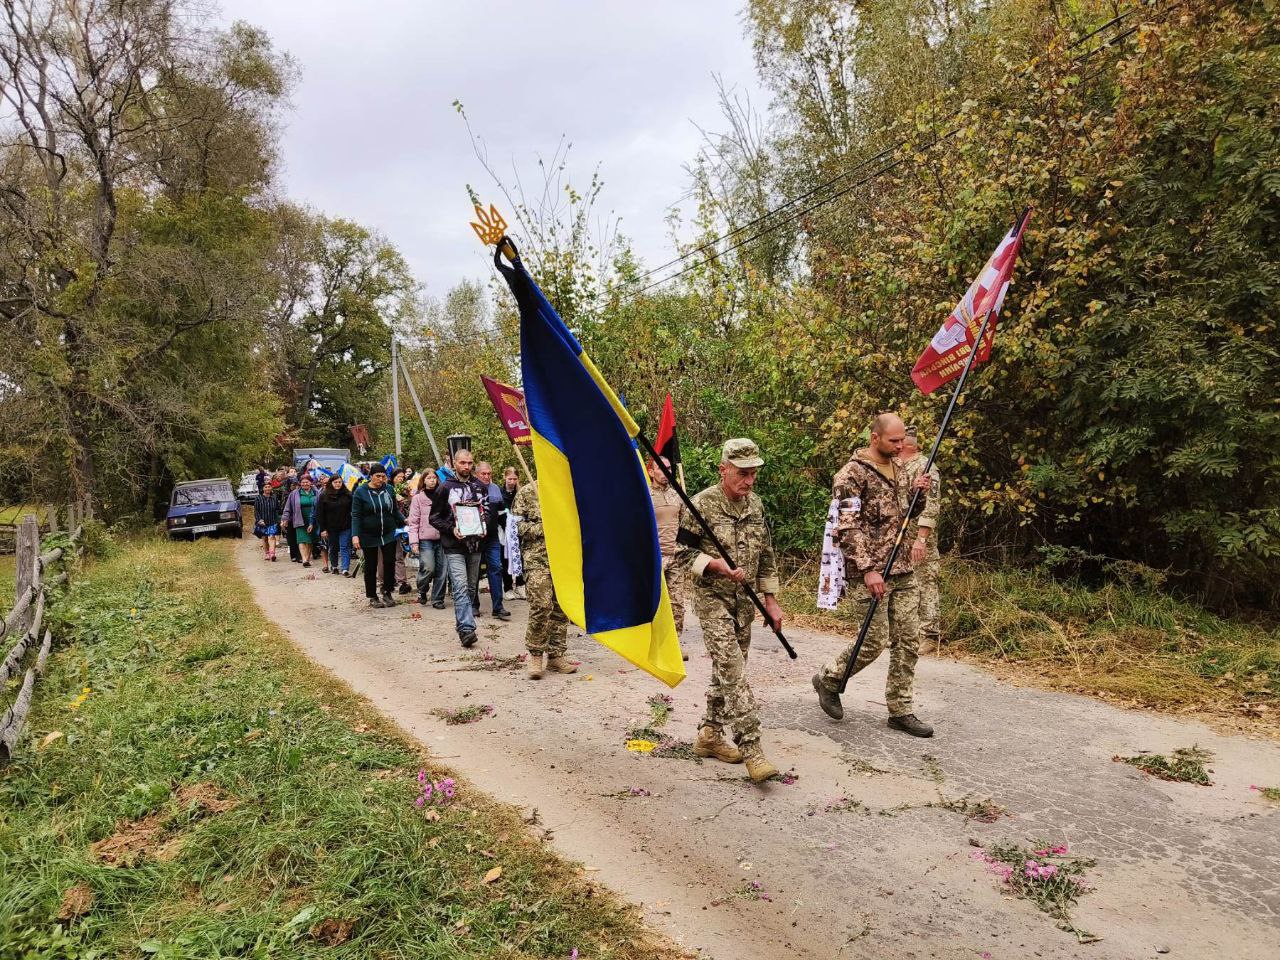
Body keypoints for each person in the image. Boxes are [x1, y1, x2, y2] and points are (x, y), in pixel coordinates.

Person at [812, 413, 934, 737]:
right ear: (875, 438)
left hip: (903, 566)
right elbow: (847, 526)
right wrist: (867, 569)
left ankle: (900, 710)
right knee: (874, 641)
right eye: (894, 441)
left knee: (909, 640)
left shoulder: (899, 468)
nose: (900, 446)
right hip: (874, 571)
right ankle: (830, 678)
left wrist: (919, 493)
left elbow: (909, 514)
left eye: (902, 441)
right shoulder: (850, 475)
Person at [676, 439, 784, 784]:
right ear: (724, 469)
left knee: (726, 672)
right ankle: (753, 749)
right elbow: (679, 553)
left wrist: (770, 599)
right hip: (713, 599)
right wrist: (715, 565)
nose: (749, 481)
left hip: (745, 603)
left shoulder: (757, 505)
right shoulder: (700, 505)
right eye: (742, 473)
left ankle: (709, 735)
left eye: (753, 474)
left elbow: (766, 553)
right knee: (733, 670)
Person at [513, 479, 575, 679]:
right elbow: (515, 525)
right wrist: (542, 528)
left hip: (564, 558)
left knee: (561, 607)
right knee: (541, 605)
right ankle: (536, 654)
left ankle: (556, 655)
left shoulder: (567, 490)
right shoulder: (527, 492)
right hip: (537, 559)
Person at [429, 449, 487, 647]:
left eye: (470, 463)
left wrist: (484, 526)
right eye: (463, 463)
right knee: (460, 586)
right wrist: (451, 529)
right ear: (455, 463)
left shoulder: (480, 486)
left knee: (471, 587)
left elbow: (486, 512)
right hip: (453, 545)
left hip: (475, 544)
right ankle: (466, 629)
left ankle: (463, 621)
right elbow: (434, 517)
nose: (467, 467)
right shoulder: (445, 488)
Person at [901, 427, 942, 654]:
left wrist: (922, 539)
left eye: (899, 442)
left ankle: (929, 635)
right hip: (900, 539)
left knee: (925, 584)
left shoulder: (926, 468)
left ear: (908, 445)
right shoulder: (899, 467)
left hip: (918, 538)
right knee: (905, 586)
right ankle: (909, 633)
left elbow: (932, 505)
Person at [648, 455, 689, 661]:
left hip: (675, 557)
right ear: (651, 472)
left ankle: (673, 645)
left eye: (669, 469)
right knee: (652, 603)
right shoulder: (644, 495)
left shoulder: (677, 496)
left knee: (677, 603)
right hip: (653, 560)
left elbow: (684, 525)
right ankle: (650, 645)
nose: (666, 473)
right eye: (661, 468)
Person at [351, 463, 405, 608]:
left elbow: (394, 510)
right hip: (368, 534)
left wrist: (404, 520)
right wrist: (355, 535)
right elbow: (355, 515)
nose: (381, 479)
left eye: (383, 476)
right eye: (378, 476)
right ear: (371, 476)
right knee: (371, 565)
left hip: (388, 532)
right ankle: (372, 596)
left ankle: (387, 591)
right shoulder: (361, 492)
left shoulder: (389, 489)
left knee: (389, 563)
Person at [475, 462, 512, 620]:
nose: (486, 476)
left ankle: (498, 607)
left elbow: (502, 511)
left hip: (492, 537)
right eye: (483, 473)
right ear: (477, 474)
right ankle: (473, 606)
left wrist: (510, 531)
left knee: (496, 568)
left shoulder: (496, 488)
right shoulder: (470, 488)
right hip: (474, 538)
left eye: (489, 473)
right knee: (474, 572)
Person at [408, 472, 446, 607]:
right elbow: (413, 522)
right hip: (425, 538)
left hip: (442, 537)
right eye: (429, 478)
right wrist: (414, 542)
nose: (432, 480)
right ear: (423, 480)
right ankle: (422, 590)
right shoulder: (417, 498)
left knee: (442, 570)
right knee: (429, 567)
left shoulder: (443, 496)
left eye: (434, 478)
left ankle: (437, 599)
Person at [315, 474, 353, 576]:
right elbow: (319, 514)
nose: (338, 484)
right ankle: (335, 566)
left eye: (340, 482)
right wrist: (323, 529)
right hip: (331, 527)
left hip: (346, 526)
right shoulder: (324, 495)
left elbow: (353, 509)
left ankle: (345, 568)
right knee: (333, 547)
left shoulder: (347, 494)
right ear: (331, 483)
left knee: (345, 546)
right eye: (335, 482)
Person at [281, 474, 319, 568]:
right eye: (303, 482)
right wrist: (285, 518)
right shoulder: (294, 494)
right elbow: (288, 507)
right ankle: (304, 559)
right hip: (299, 518)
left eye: (307, 482)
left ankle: (307, 558)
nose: (305, 484)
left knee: (310, 540)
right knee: (302, 539)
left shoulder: (316, 492)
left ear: (311, 483)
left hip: (313, 520)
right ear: (300, 483)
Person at [500, 466, 524, 600]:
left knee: (520, 557)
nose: (512, 481)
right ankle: (508, 588)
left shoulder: (520, 493)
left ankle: (520, 585)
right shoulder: (499, 492)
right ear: (505, 477)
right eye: (509, 478)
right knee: (506, 558)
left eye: (515, 479)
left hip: (518, 530)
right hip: (504, 531)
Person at [390, 467, 411, 594]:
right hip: (393, 525)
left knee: (402, 552)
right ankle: (400, 581)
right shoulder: (388, 490)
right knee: (396, 554)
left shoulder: (405, 490)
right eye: (399, 477)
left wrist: (409, 496)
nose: (401, 479)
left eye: (403, 477)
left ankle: (396, 577)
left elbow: (410, 505)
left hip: (404, 524)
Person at [252, 483, 281, 561]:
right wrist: (259, 520)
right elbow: (256, 511)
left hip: (273, 521)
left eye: (269, 487)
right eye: (266, 487)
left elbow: (278, 509)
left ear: (271, 488)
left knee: (272, 536)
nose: (268, 488)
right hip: (263, 521)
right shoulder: (258, 498)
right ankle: (267, 553)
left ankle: (272, 554)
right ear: (263, 489)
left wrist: (278, 519)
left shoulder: (274, 498)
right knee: (264, 538)